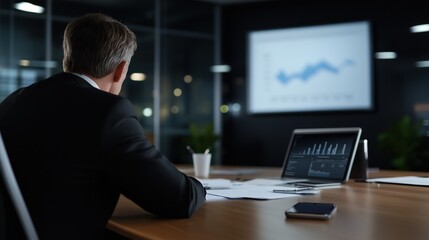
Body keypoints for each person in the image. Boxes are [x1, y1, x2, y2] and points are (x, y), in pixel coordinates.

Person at [0, 13, 206, 240]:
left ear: (68, 57)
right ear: (121, 69)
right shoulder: (108, 111)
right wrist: (200, 186)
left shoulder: (13, 101)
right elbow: (179, 199)